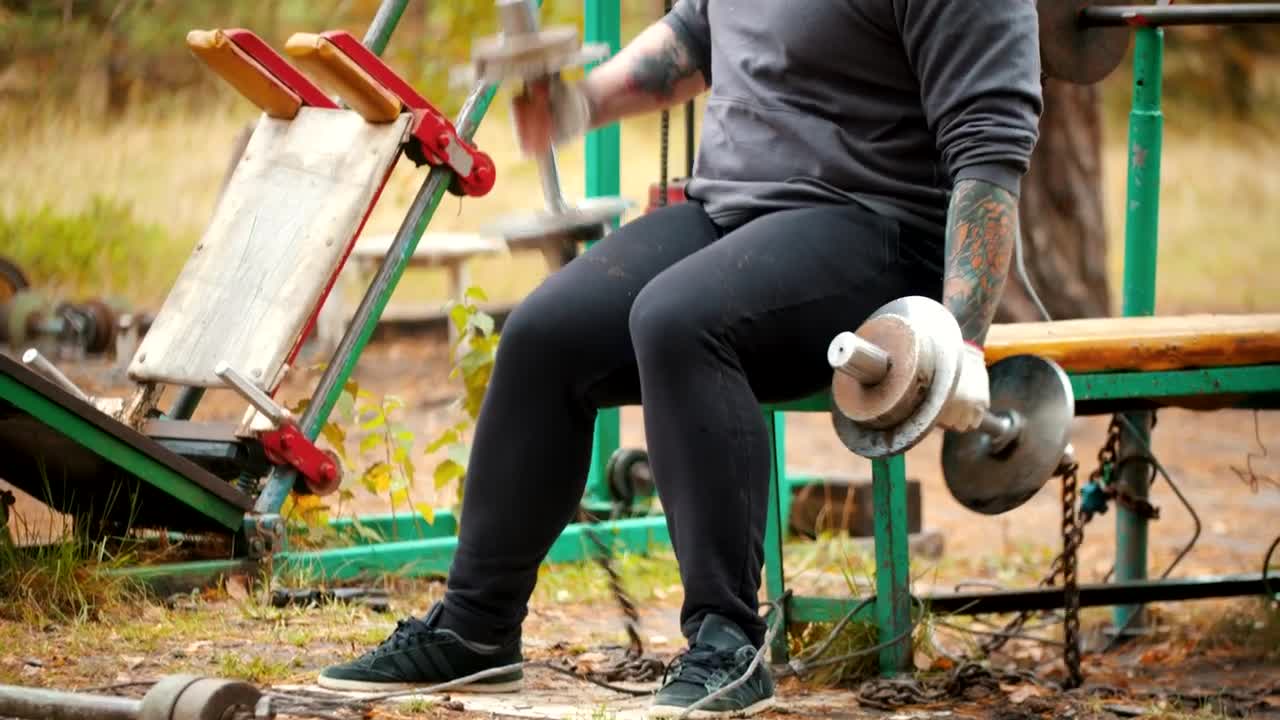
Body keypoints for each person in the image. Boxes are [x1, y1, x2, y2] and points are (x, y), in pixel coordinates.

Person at [319, 0, 1043, 716]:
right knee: (545, 335)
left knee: (681, 319)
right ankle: (476, 628)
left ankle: (729, 641)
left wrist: (963, 337)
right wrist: (581, 104)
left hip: (881, 231)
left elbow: (989, 148)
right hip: (731, 212)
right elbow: (700, 31)